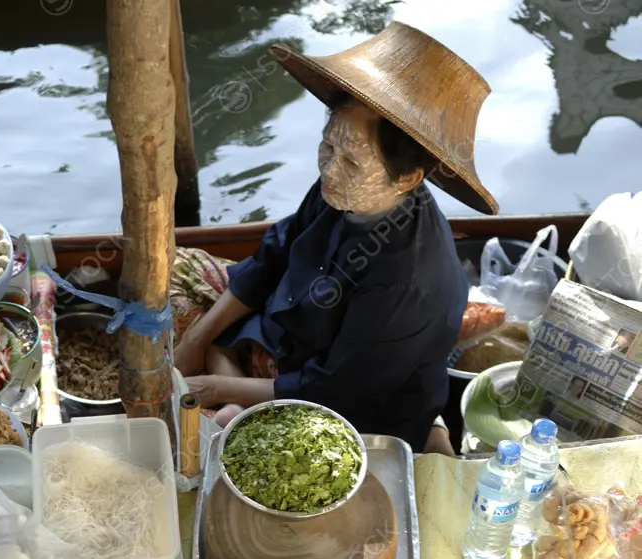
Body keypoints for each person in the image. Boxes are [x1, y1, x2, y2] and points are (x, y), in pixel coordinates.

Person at [173, 22, 498, 453]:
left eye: (351, 162)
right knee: (178, 273)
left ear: (409, 177)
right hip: (288, 341)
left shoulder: (410, 283)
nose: (329, 170)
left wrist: (211, 388)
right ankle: (230, 372)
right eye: (327, 149)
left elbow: (336, 389)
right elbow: (276, 253)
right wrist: (197, 337)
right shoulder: (341, 189)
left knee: (221, 433)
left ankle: (234, 387)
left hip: (353, 403)